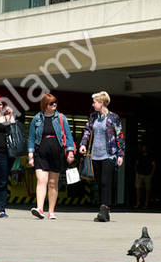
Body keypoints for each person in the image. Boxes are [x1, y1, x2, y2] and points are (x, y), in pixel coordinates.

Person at [78, 90, 124, 223]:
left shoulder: (113, 117)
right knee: (99, 182)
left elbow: (119, 136)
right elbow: (87, 131)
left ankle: (103, 210)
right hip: (95, 155)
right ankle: (106, 211)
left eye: (95, 102)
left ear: (101, 103)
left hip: (109, 154)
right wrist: (83, 144)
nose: (93, 105)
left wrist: (120, 154)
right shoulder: (93, 116)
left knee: (105, 182)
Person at [26, 92, 74, 220]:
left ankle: (51, 211)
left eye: (55, 103)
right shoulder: (37, 118)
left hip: (56, 153)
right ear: (45, 105)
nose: (54, 105)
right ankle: (40, 209)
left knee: (53, 183)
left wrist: (70, 151)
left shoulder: (61, 118)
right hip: (40, 153)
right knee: (41, 181)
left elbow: (68, 136)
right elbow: (31, 137)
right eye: (51, 103)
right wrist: (30, 155)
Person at [133, 144, 155, 210]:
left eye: (145, 148)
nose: (144, 149)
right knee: (138, 188)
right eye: (143, 148)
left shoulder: (150, 156)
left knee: (147, 189)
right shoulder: (139, 155)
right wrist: (136, 171)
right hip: (139, 174)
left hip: (147, 174)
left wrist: (151, 173)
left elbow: (154, 165)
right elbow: (136, 163)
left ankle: (146, 203)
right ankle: (138, 203)